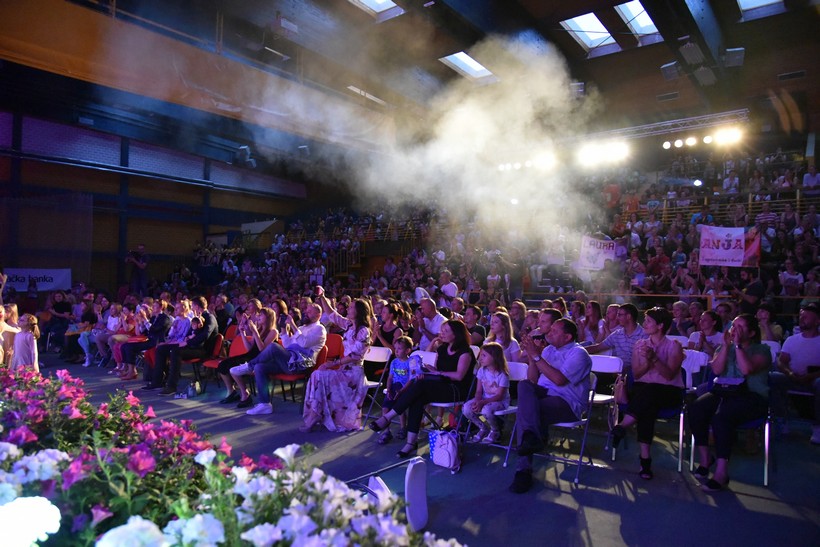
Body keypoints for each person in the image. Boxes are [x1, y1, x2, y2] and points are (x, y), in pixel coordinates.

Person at [369, 319, 476, 458]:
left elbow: (459, 376)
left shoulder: (465, 352)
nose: (442, 333)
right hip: (441, 385)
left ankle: (388, 417)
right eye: (442, 330)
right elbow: (438, 371)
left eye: (446, 331)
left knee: (420, 386)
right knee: (417, 397)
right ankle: (410, 443)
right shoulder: (442, 349)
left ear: (456, 334)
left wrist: (438, 373)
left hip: (456, 390)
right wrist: (428, 371)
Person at [689, 314, 772, 492]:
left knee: (722, 417)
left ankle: (721, 473)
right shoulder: (724, 347)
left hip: (752, 396)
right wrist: (727, 346)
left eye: (741, 327)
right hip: (725, 391)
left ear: (751, 333)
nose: (735, 330)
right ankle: (705, 458)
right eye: (734, 326)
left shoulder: (762, 350)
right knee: (696, 408)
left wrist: (738, 346)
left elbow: (747, 369)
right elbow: (717, 369)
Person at [508, 318, 592, 493]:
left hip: (567, 402)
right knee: (524, 385)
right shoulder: (548, 350)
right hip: (544, 395)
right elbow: (532, 380)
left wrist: (537, 356)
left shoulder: (578, 353)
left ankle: (523, 470)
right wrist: (532, 358)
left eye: (554, 331)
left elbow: (559, 380)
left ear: (567, 337)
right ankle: (532, 438)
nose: (548, 333)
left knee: (525, 412)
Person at [611, 307, 684, 480]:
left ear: (660, 325)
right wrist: (648, 363)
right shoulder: (640, 345)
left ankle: (623, 426)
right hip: (644, 391)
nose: (644, 324)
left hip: (668, 391)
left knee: (649, 395)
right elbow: (637, 374)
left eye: (648, 321)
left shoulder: (674, 346)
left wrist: (654, 358)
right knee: (647, 403)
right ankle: (645, 461)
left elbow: (669, 375)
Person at [235, 303, 326, 416]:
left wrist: (292, 325)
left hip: (301, 365)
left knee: (273, 347)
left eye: (309, 312)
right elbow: (288, 346)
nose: (306, 313)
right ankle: (264, 405)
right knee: (259, 367)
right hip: (289, 361)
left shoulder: (320, 329)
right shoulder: (302, 328)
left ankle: (249, 366)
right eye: (306, 311)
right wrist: (284, 330)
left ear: (318, 315)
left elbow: (304, 343)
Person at [302, 288, 372, 432]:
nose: (348, 309)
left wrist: (332, 364)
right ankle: (314, 414)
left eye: (351, 307)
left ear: (358, 311)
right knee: (316, 374)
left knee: (319, 375)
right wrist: (322, 297)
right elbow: (332, 314)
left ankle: (314, 416)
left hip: (354, 374)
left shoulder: (364, 331)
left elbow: (354, 356)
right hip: (343, 370)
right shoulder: (349, 325)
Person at [770, 303, 820, 444]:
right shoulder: (792, 340)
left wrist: (811, 376)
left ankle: (818, 426)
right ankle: (781, 419)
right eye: (801, 316)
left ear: (817, 321)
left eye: (806, 317)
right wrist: (790, 373)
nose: (801, 319)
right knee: (772, 378)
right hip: (792, 377)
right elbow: (781, 362)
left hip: (814, 379)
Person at [157, 296, 217, 395]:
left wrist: (187, 343)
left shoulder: (210, 317)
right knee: (161, 349)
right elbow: (190, 333)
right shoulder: (195, 318)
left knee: (176, 352)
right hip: (192, 347)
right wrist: (186, 339)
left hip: (202, 350)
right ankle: (157, 381)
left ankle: (171, 386)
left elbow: (205, 336)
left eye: (192, 306)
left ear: (197, 307)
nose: (191, 308)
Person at [222, 307, 279, 409]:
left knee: (233, 369)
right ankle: (239, 393)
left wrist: (255, 332)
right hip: (251, 356)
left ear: (268, 317)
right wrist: (243, 333)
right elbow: (249, 348)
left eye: (261, 315)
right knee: (224, 365)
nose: (258, 317)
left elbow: (262, 350)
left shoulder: (273, 332)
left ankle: (245, 395)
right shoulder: (259, 329)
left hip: (262, 359)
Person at [376, 336, 422, 445]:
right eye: (395, 348)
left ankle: (403, 428)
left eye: (399, 348)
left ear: (407, 350)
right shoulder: (394, 362)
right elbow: (390, 377)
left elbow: (411, 379)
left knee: (400, 408)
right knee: (385, 408)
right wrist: (388, 389)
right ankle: (386, 431)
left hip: (406, 388)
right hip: (394, 387)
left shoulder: (411, 362)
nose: (396, 351)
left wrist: (402, 390)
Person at [464, 342, 510, 444]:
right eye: (480, 355)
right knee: (466, 408)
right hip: (484, 399)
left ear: (494, 357)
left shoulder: (502, 375)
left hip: (500, 402)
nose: (480, 358)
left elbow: (499, 396)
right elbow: (478, 391)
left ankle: (495, 430)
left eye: (484, 355)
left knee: (486, 410)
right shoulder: (481, 371)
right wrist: (477, 401)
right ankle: (483, 428)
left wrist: (482, 402)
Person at [586, 303, 647, 372]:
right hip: (617, 371)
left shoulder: (643, 335)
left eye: (620, 315)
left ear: (628, 316)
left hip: (634, 372)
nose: (617, 317)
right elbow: (598, 347)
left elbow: (644, 363)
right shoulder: (617, 334)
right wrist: (580, 350)